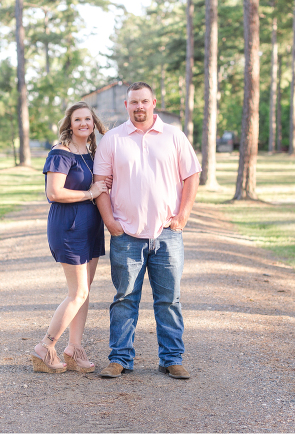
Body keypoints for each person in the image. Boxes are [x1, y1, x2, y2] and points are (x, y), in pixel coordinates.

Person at [93, 82, 201, 379]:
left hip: (167, 234)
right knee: (125, 299)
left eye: (144, 101)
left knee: (169, 300)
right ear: (126, 105)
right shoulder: (113, 139)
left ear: (153, 103)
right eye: (133, 102)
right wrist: (110, 222)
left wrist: (183, 215)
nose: (139, 106)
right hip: (126, 235)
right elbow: (100, 183)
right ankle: (120, 359)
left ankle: (172, 359)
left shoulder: (174, 136)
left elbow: (192, 175)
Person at [31, 102, 109, 374]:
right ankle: (45, 347)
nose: (83, 123)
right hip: (69, 227)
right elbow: (54, 193)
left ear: (93, 123)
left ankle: (74, 349)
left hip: (90, 227)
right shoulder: (60, 153)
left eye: (88, 119)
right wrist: (91, 193)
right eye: (78, 119)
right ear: (70, 124)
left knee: (84, 292)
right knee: (78, 293)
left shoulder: (91, 153)